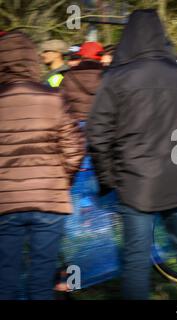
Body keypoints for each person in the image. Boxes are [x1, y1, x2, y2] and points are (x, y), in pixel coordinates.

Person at [87, 9, 177, 300]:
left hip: (135, 185)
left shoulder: (116, 79)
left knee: (136, 259)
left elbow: (97, 135)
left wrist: (109, 180)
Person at [0, 31, 84, 300]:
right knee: (41, 280)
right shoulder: (53, 98)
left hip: (6, 202)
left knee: (6, 277)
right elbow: (74, 149)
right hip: (49, 199)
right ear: (31, 61)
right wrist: (62, 181)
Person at [61, 41, 104, 124]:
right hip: (99, 122)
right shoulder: (108, 75)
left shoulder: (68, 75)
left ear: (81, 56)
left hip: (74, 122)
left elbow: (61, 100)